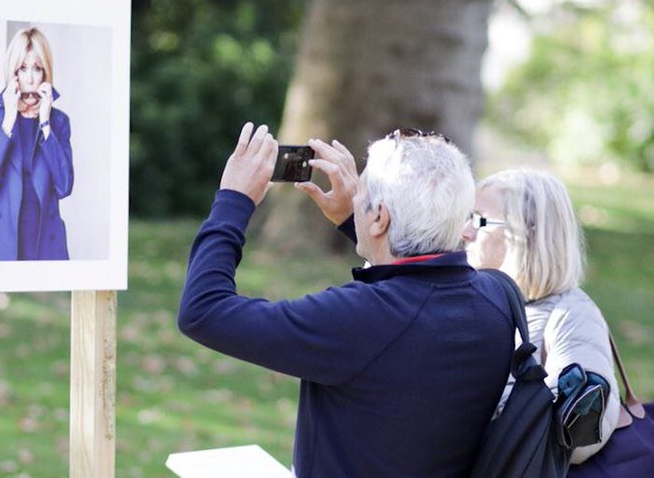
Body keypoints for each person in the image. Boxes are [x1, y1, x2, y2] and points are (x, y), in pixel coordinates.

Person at [178, 124, 518, 478]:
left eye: (363, 192)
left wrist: (234, 199)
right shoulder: (496, 298)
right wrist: (355, 222)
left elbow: (204, 311)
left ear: (380, 217)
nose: (355, 197)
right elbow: (413, 279)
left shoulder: (360, 319)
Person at [462, 168, 620, 464]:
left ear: (525, 235)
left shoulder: (571, 316)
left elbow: (583, 438)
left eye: (479, 220)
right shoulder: (482, 301)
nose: (466, 232)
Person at [0, 26, 74, 260]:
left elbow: (65, 187)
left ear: (46, 72)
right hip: (7, 243)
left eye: (37, 68)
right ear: (13, 72)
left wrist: (45, 124)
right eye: (23, 68)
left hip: (47, 244)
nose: (30, 78)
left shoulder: (59, 121)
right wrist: (9, 120)